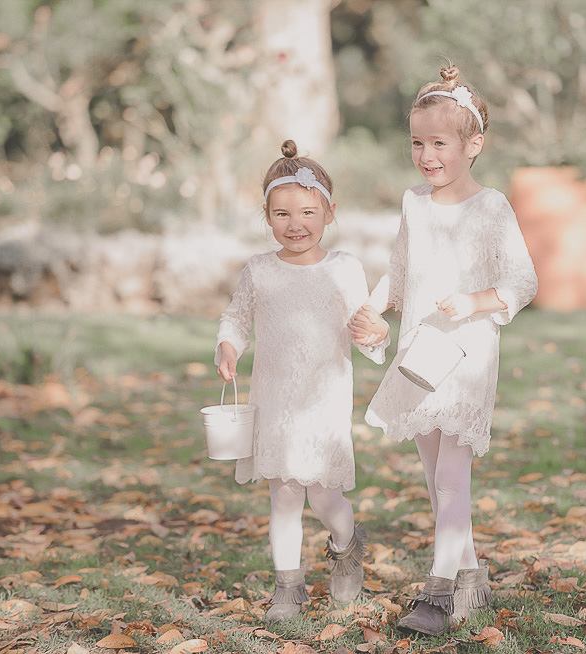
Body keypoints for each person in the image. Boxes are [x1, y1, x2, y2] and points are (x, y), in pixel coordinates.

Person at [349, 65, 538, 636]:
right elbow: (401, 272)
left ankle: (437, 595)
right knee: (436, 478)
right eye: (417, 143)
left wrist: (480, 300)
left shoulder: (491, 208)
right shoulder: (414, 204)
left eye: (439, 144)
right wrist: (373, 307)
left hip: (466, 354)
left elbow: (523, 280)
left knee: (454, 477)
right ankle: (472, 577)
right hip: (419, 354)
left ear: (472, 144)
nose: (427, 155)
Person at [216, 140, 388, 622]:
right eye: (282, 214)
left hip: (324, 404)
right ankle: (288, 590)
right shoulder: (260, 271)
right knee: (285, 496)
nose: (296, 224)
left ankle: (346, 544)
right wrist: (228, 347)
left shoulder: (344, 269)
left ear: (329, 213)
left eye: (308, 212)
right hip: (275, 402)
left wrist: (376, 334)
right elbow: (236, 319)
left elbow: (366, 327)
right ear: (267, 217)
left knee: (325, 497)